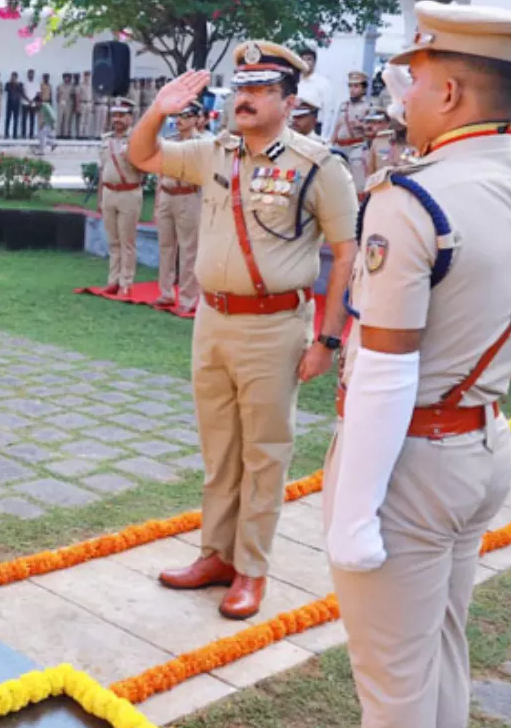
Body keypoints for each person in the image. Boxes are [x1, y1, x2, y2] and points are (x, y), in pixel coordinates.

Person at [317, 1, 511, 728]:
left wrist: (351, 512)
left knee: (392, 675)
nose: (403, 95)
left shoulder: (412, 197)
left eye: (414, 79)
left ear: (453, 91)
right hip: (483, 437)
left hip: (412, 457)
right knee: (441, 652)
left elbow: (386, 370)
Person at [128, 41, 359, 620]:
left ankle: (251, 568)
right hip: (213, 320)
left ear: (289, 99)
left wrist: (328, 341)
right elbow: (144, 156)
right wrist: (158, 110)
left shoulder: (318, 165)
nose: (246, 100)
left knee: (265, 453)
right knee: (220, 449)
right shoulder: (214, 151)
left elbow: (346, 253)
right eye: (242, 90)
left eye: (260, 91)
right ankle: (216, 554)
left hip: (275, 326)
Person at [152, 100, 205, 315]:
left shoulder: (202, 143)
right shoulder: (169, 141)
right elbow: (161, 172)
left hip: (188, 196)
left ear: (195, 118)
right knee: (166, 247)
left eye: (184, 116)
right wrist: (157, 202)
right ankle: (165, 292)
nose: (179, 120)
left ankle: (188, 297)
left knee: (189, 249)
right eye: (177, 116)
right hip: (167, 194)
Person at [96, 99, 145, 296]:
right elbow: (102, 170)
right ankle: (113, 279)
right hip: (109, 192)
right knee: (113, 241)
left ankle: (126, 282)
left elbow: (144, 168)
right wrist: (100, 197)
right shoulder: (106, 139)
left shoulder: (136, 139)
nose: (117, 119)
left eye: (122, 115)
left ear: (130, 117)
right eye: (115, 115)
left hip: (129, 192)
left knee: (127, 241)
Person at [333, 71, 374, 192]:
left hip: (357, 146)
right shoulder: (343, 105)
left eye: (356, 86)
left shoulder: (368, 107)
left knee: (357, 181)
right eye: (350, 86)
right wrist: (331, 142)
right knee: (337, 179)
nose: (352, 90)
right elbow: (337, 126)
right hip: (340, 146)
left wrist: (360, 125)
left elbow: (371, 130)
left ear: (363, 88)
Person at [296, 48, 332, 135]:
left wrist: (324, 138)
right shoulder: (295, 82)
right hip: (295, 128)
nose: (305, 62)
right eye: (303, 59)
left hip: (314, 130)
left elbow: (328, 113)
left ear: (314, 62)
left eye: (309, 59)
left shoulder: (323, 83)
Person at [4, 71, 26, 139]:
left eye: (14, 77)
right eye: (11, 77)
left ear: (16, 77)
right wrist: (11, 83)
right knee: (8, 119)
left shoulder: (20, 84)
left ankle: (15, 134)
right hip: (9, 104)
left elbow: (22, 93)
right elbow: (6, 89)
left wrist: (16, 84)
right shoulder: (8, 84)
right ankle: (6, 134)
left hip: (17, 104)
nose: (12, 78)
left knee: (16, 120)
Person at [56, 72, 76, 139]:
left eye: (68, 77)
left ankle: (66, 134)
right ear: (63, 78)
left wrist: (73, 105)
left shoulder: (72, 86)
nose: (67, 78)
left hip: (69, 104)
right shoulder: (60, 85)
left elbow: (73, 96)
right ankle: (59, 134)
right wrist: (59, 102)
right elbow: (57, 95)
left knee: (68, 120)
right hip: (61, 104)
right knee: (60, 119)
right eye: (65, 77)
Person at [78, 70, 95, 139]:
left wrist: (93, 105)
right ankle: (80, 135)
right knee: (82, 120)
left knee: (88, 120)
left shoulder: (92, 85)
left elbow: (92, 96)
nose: (87, 77)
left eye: (88, 76)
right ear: (83, 76)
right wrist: (78, 106)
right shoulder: (81, 85)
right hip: (83, 103)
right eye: (86, 76)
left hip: (89, 103)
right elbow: (78, 96)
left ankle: (86, 134)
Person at [23, 69, 39, 137]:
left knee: (32, 120)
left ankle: (31, 134)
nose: (30, 75)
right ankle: (23, 134)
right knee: (24, 120)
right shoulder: (24, 83)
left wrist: (32, 101)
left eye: (32, 74)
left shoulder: (36, 83)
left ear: (34, 75)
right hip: (25, 104)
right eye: (29, 74)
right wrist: (29, 100)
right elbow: (23, 93)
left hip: (33, 104)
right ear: (27, 75)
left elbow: (38, 93)